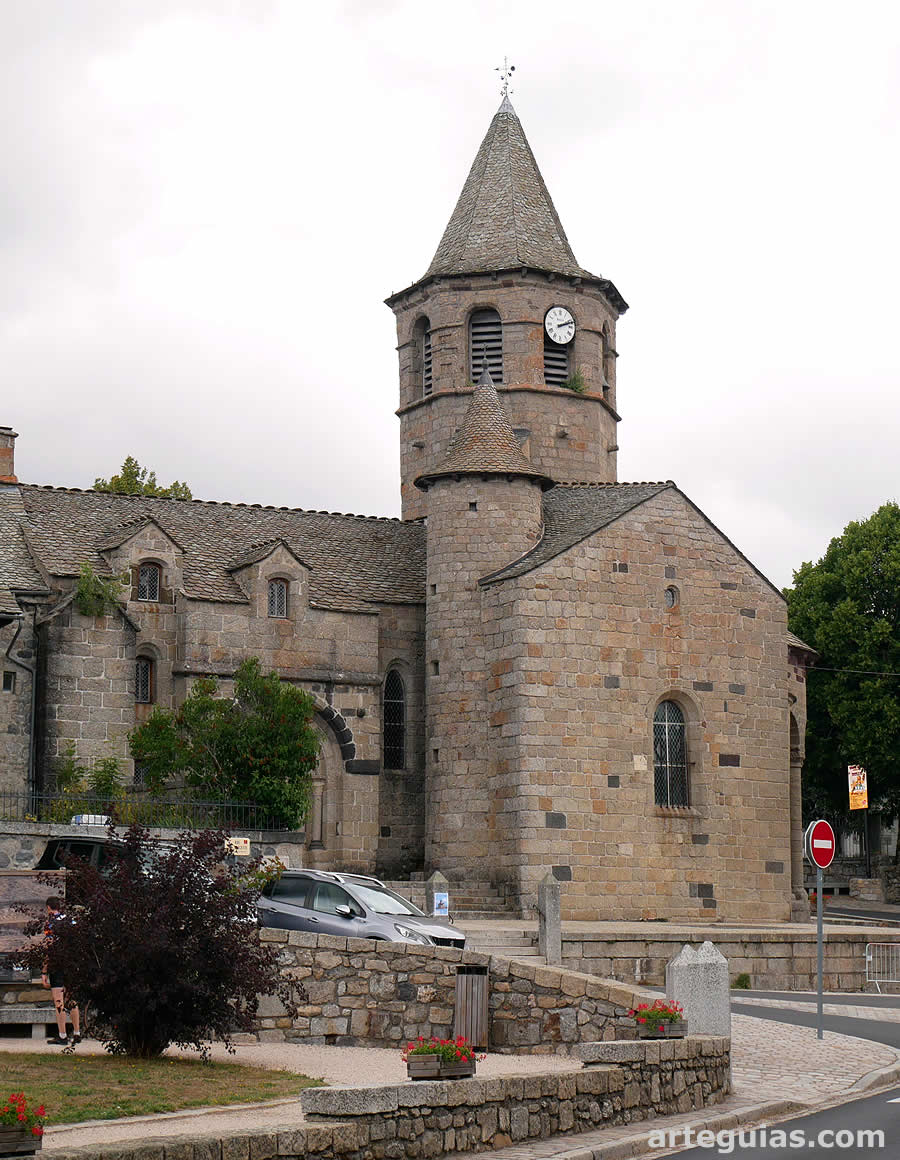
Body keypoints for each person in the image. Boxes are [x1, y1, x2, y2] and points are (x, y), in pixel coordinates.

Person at [41, 896, 82, 1046]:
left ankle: (62, 1035)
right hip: (71, 963)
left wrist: (44, 970)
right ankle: (77, 1033)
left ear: (48, 908)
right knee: (72, 999)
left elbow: (49, 947)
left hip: (57, 964)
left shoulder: (50, 923)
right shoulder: (71, 921)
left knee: (59, 1000)